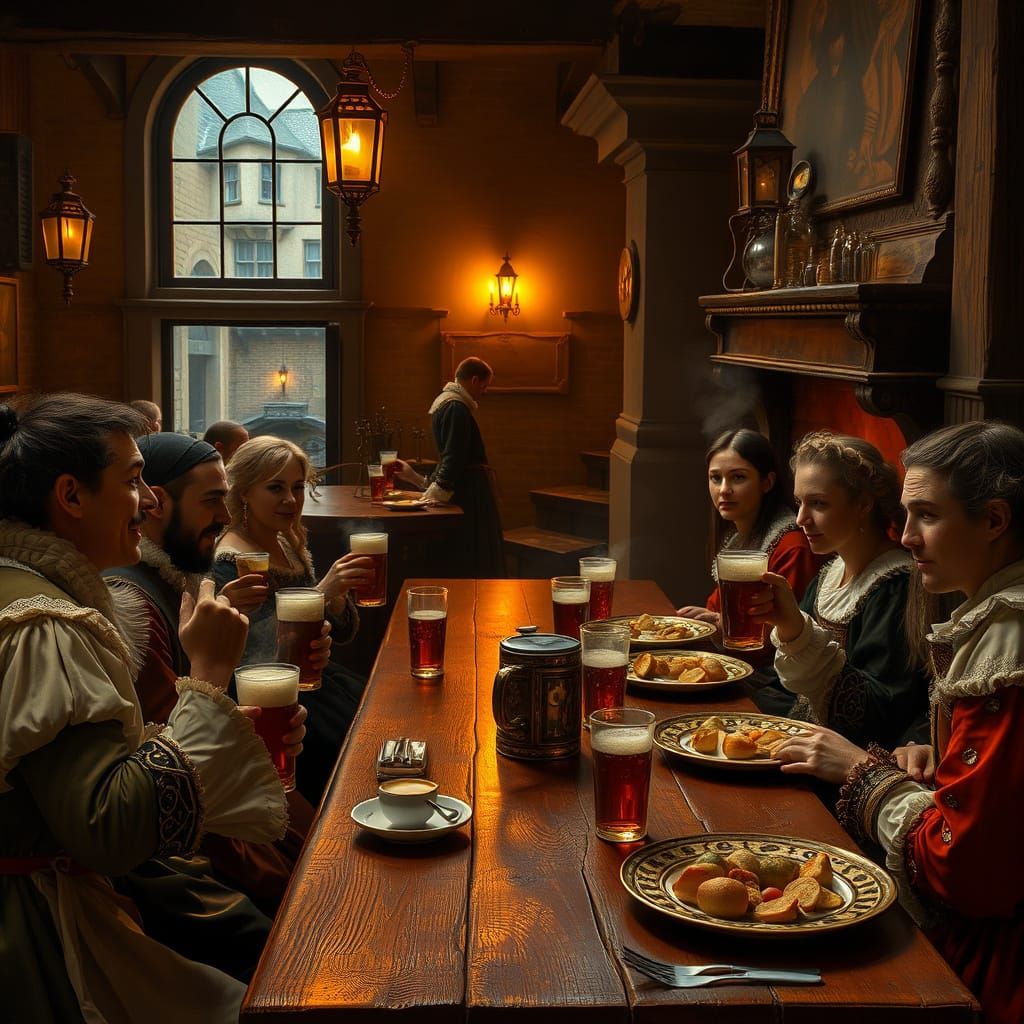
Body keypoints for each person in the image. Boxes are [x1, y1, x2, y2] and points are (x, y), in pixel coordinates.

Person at [0, 392, 288, 1023]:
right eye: (133, 483)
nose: (150, 502)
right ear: (71, 496)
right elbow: (110, 829)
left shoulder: (33, 594)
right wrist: (210, 677)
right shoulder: (43, 626)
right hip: (33, 936)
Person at [771, 421, 1024, 1024]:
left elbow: (963, 865)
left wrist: (865, 772)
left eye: (926, 516)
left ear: (993, 521)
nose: (906, 537)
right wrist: (931, 764)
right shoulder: (986, 616)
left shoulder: (1010, 642)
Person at [104, 431, 316, 917]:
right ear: (154, 504)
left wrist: (241, 719)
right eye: (213, 501)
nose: (224, 518)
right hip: (181, 852)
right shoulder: (131, 601)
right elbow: (170, 773)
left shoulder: (175, 581)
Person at [214, 435, 373, 803]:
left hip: (316, 682)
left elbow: (344, 633)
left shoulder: (287, 541)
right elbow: (253, 655)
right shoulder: (230, 558)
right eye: (275, 488)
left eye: (298, 487)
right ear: (243, 494)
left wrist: (333, 599)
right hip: (274, 698)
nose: (290, 499)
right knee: (354, 751)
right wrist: (321, 591)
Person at [749, 431, 929, 750]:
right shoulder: (828, 575)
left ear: (862, 504)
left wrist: (795, 632)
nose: (802, 519)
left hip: (848, 766)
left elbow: (876, 716)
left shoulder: (895, 587)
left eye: (818, 503)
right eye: (799, 503)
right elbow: (788, 690)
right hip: (802, 743)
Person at [677, 429, 822, 668]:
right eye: (716, 478)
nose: (724, 489)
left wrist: (718, 624)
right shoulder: (738, 540)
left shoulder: (792, 547)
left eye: (738, 477)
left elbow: (786, 641)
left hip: (772, 679)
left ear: (767, 482)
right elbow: (716, 611)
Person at [395, 356, 505, 577]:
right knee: (474, 551)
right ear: (474, 380)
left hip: (466, 485)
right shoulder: (456, 408)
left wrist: (431, 487)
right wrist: (437, 493)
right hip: (470, 490)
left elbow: (449, 457)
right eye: (485, 386)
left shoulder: (447, 404)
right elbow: (454, 457)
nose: (485, 391)